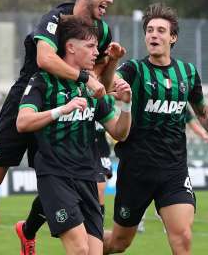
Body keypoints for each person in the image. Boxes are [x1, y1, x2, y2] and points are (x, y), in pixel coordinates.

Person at [0, 0, 126, 255]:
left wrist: (110, 65)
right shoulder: (55, 19)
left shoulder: (102, 31)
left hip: (69, 105)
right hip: (29, 97)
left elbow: (100, 81)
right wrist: (86, 79)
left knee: (57, 174)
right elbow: (45, 59)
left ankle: (29, 230)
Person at [103, 3, 208, 255]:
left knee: (183, 237)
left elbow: (202, 111)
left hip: (173, 171)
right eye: (150, 30)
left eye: (161, 30)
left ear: (172, 37)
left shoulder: (188, 73)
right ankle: (89, 248)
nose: (154, 34)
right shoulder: (134, 69)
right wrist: (112, 63)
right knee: (119, 243)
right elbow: (108, 85)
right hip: (136, 170)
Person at [16, 15, 132, 255]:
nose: (95, 52)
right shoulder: (43, 81)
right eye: (90, 46)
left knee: (94, 252)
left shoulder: (91, 87)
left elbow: (119, 132)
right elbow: (23, 122)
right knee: (79, 249)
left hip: (87, 177)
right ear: (70, 47)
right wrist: (61, 110)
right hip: (55, 175)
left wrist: (127, 106)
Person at [136, 109, 208, 233]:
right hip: (149, 156)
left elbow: (191, 122)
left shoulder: (180, 103)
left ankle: (169, 221)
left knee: (169, 192)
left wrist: (203, 134)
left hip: (173, 158)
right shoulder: (151, 101)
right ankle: (139, 222)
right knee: (143, 190)